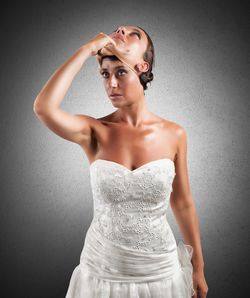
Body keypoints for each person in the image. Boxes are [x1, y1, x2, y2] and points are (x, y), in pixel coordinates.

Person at [33, 25, 208, 298]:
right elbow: (44, 108)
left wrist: (198, 267)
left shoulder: (175, 134)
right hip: (101, 272)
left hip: (160, 271)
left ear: (142, 67)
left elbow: (183, 202)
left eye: (121, 72)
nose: (111, 84)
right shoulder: (93, 132)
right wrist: (86, 49)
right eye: (105, 74)